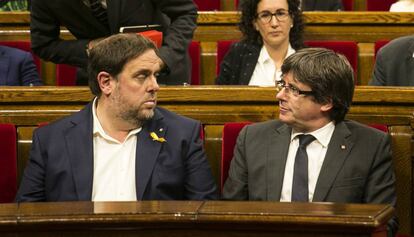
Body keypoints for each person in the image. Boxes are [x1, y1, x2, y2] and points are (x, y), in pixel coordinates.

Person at [15, 33, 218, 202]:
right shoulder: (51, 140)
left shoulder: (181, 134)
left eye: (156, 75)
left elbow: (206, 214)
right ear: (106, 83)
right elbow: (26, 216)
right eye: (142, 76)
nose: (154, 86)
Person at [222, 48, 398, 236]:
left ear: (326, 102)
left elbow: (385, 222)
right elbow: (229, 215)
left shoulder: (370, 145)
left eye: (293, 90)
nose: (280, 95)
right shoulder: (252, 138)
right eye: (282, 85)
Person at [30, 0, 197, 85]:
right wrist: (90, 48)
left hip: (160, 73)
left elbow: (185, 13)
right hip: (100, 77)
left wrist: (163, 57)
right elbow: (43, 43)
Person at [216, 0, 304, 86]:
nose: (274, 23)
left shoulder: (309, 60)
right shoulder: (238, 54)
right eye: (265, 15)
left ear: (292, 19)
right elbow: (219, 97)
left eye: (280, 13)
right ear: (255, 23)